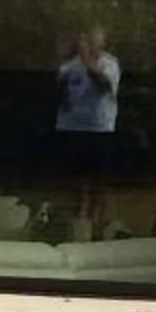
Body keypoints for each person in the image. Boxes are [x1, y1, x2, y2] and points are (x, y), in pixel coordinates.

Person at [55, 28, 121, 237]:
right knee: (76, 181)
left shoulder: (109, 64)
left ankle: (96, 226)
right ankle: (78, 222)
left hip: (99, 129)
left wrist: (86, 61)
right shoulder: (68, 66)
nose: (89, 44)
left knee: (97, 182)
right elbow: (61, 93)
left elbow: (103, 86)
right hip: (72, 128)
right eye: (85, 40)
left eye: (94, 41)